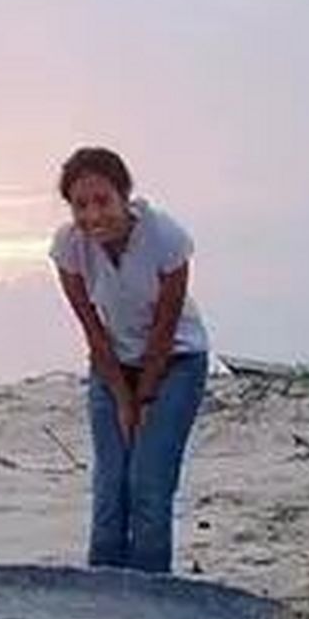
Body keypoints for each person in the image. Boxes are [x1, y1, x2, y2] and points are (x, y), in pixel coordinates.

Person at [49, 146, 211, 574]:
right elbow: (92, 329)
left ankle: (152, 604)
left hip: (176, 361)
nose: (93, 216)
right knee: (110, 488)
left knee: (148, 486)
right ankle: (103, 601)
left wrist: (144, 401)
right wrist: (122, 397)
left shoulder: (166, 239)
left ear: (124, 196)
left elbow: (164, 328)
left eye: (102, 201)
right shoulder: (70, 247)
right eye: (80, 205)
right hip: (112, 365)